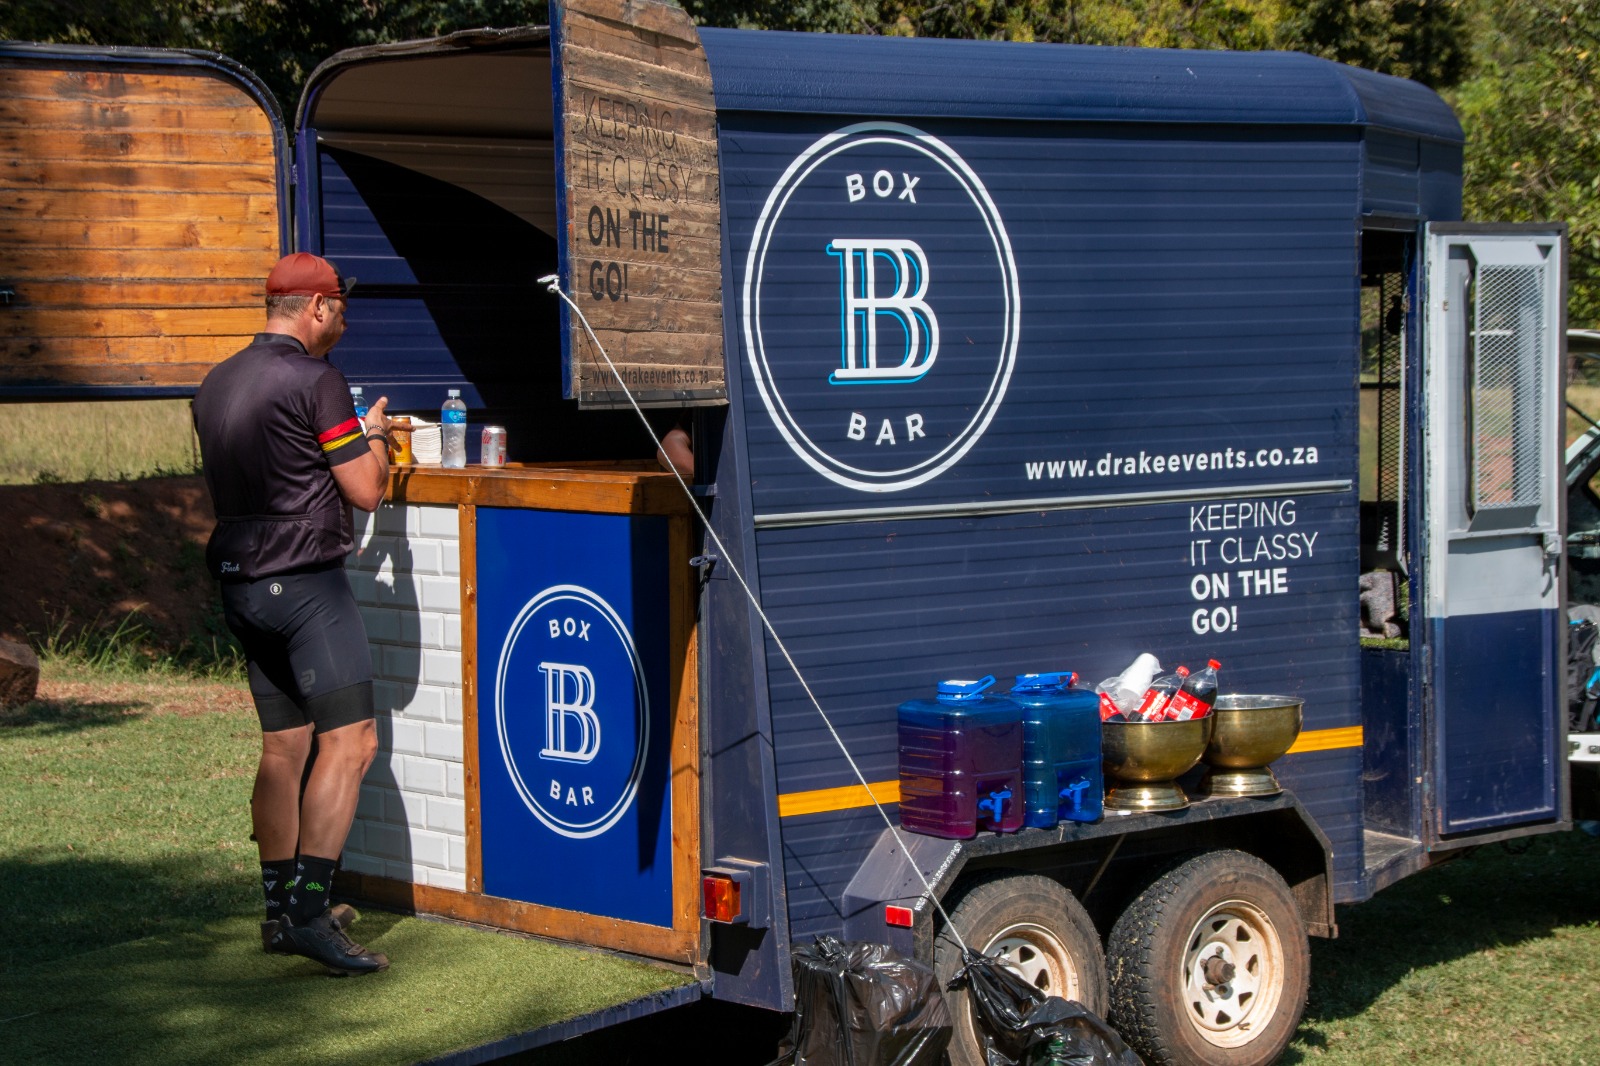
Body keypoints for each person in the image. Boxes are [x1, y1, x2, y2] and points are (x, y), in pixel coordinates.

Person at [192, 252, 394, 976]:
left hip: (240, 584)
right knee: (354, 743)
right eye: (338, 306)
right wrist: (376, 436)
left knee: (284, 748)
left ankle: (279, 911)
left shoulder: (216, 382)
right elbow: (365, 490)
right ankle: (311, 911)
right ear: (314, 308)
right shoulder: (318, 380)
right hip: (306, 586)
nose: (343, 317)